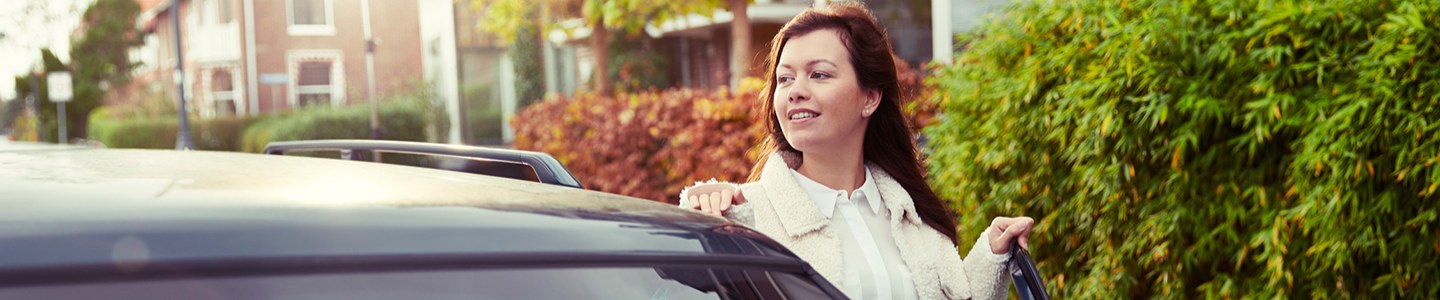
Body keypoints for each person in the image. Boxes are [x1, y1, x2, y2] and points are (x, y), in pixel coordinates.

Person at [678, 3, 1035, 300]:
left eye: (819, 75)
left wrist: (992, 253)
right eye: (785, 78)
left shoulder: (913, 222)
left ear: (869, 98)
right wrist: (696, 222)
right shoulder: (745, 218)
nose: (795, 91)